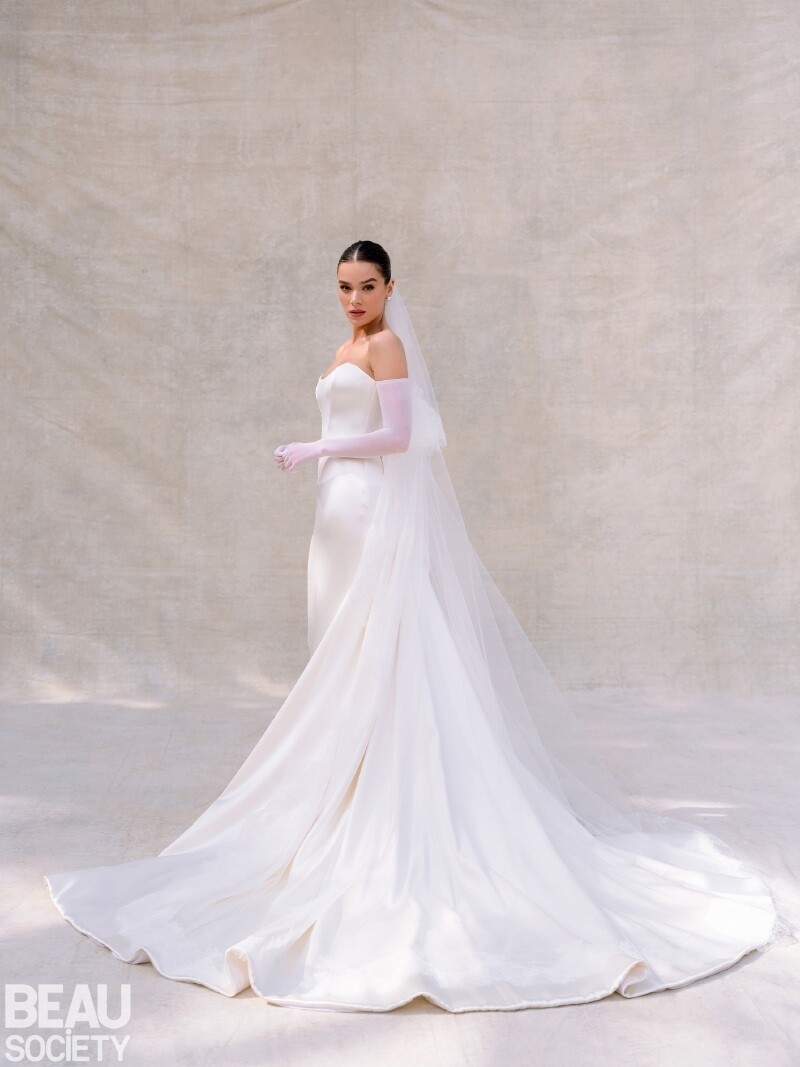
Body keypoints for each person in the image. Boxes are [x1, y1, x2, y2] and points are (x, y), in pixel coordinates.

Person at [45, 240, 798, 1014]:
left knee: (380, 650)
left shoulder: (387, 345)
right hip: (334, 515)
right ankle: (345, 789)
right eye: (344, 286)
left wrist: (317, 446)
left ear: (390, 287)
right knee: (340, 654)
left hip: (365, 507)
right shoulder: (348, 343)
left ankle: (386, 801)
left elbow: (399, 435)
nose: (354, 298)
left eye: (367, 286)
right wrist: (322, 456)